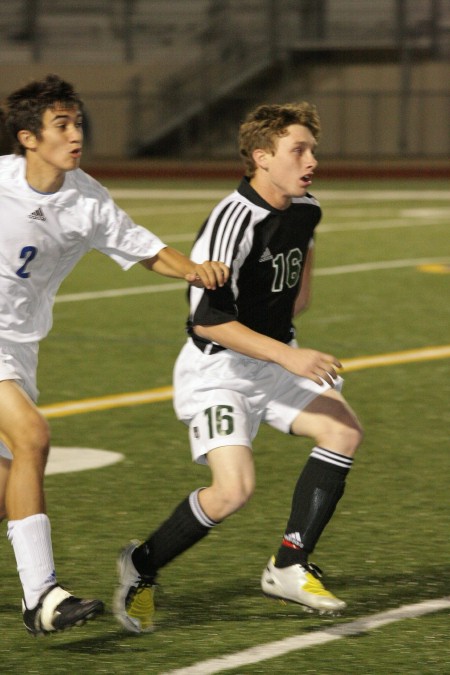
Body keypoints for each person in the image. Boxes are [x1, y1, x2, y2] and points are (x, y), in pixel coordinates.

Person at [114, 101, 363, 634]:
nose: (311, 159)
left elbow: (298, 281)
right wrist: (290, 354)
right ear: (260, 157)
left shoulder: (306, 207)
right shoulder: (233, 220)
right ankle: (142, 565)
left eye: (312, 149)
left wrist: (289, 329)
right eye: (298, 150)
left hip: (271, 360)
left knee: (342, 430)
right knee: (233, 491)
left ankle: (288, 566)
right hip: (219, 371)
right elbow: (207, 320)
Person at [0, 73, 228, 636]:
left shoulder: (87, 199)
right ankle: (42, 598)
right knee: (32, 437)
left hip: (20, 348)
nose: (76, 133)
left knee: (8, 482)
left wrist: (194, 268)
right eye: (62, 125)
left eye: (78, 122)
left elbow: (147, 249)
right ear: (28, 138)